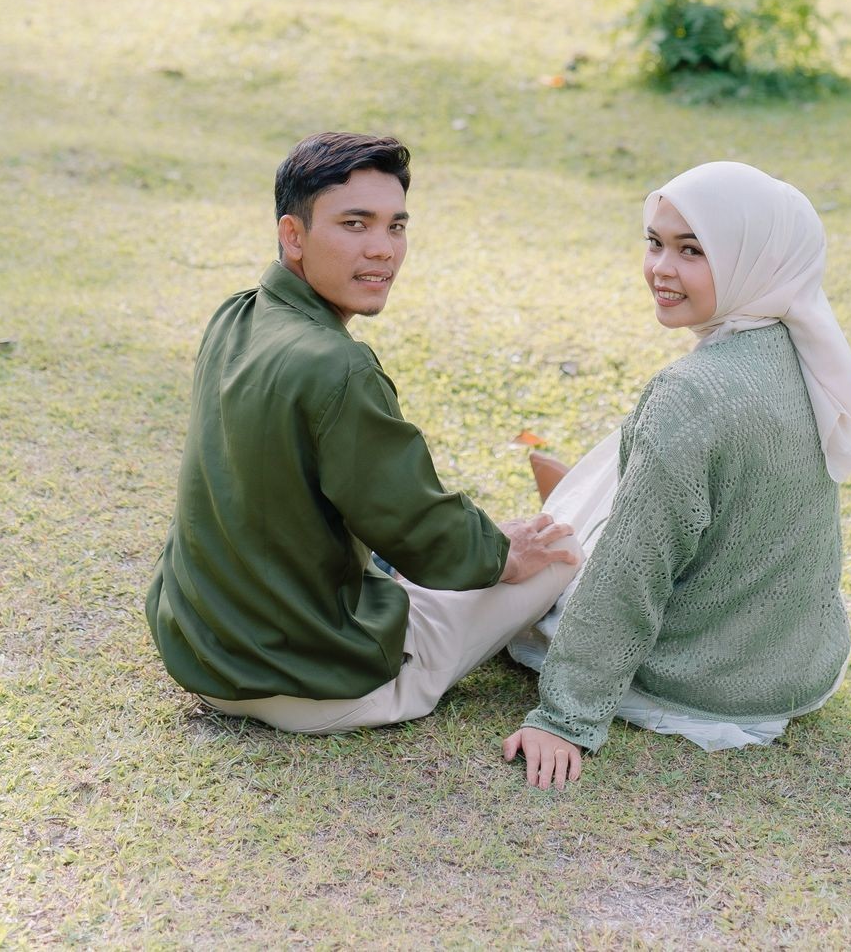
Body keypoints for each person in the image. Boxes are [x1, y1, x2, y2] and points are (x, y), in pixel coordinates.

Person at [146, 131, 579, 736]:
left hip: (202, 651)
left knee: (479, 546)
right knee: (561, 554)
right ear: (293, 235)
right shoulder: (337, 366)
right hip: (310, 684)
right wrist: (504, 554)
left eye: (395, 226)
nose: (382, 249)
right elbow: (421, 533)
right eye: (355, 224)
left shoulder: (235, 315)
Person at [503, 160, 851, 789]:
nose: (661, 268)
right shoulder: (805, 352)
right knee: (613, 500)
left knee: (534, 576)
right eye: (655, 242)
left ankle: (571, 514)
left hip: (702, 681)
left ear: (750, 258)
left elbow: (634, 572)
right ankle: (579, 504)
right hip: (798, 666)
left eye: (692, 250)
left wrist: (565, 717)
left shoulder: (694, 391)